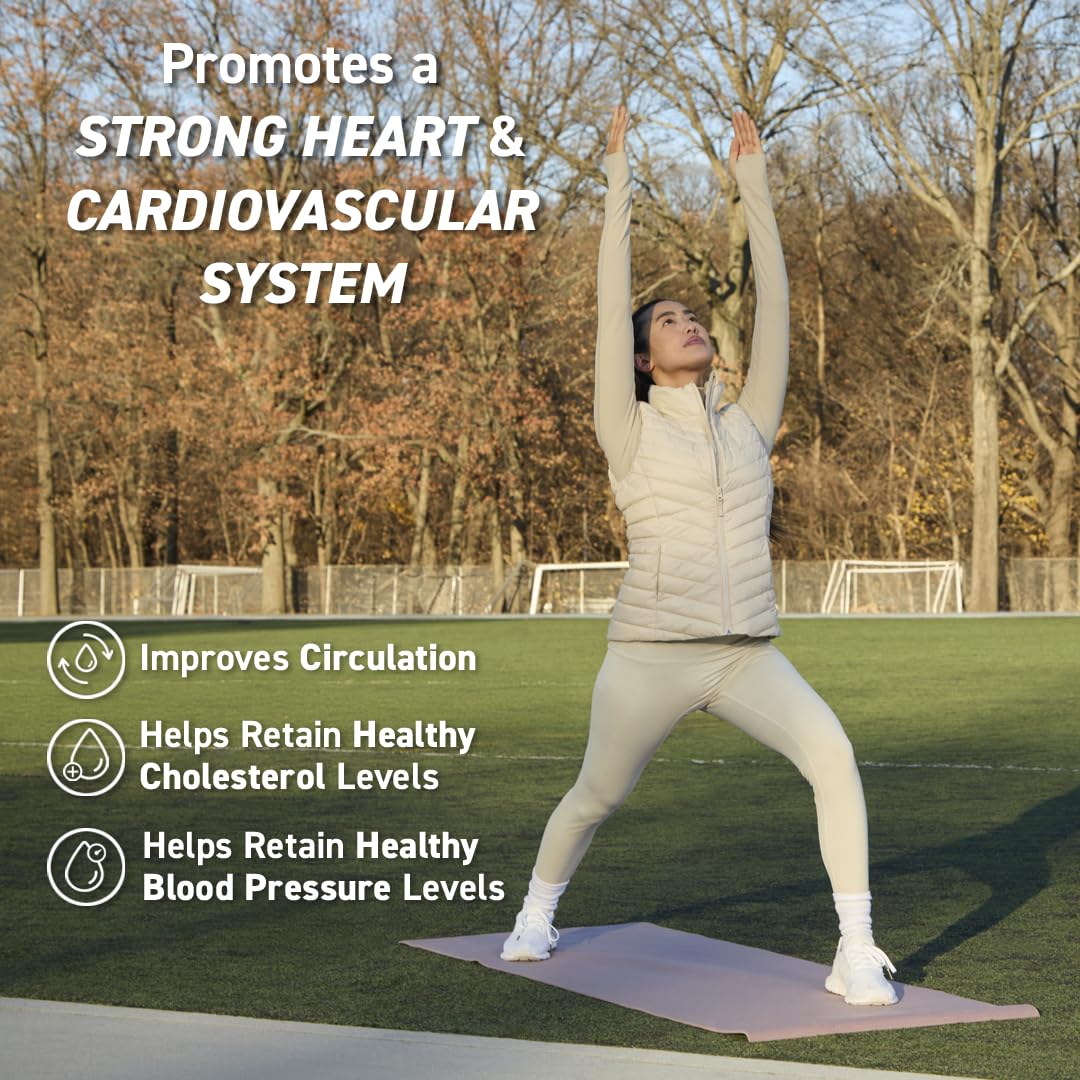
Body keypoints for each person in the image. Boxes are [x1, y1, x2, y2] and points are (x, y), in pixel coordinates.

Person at [499, 105, 899, 1007]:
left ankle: (857, 948)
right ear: (641, 359)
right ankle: (537, 909)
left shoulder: (750, 420)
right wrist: (617, 180)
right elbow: (610, 306)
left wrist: (752, 183)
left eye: (692, 315)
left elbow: (780, 303)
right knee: (595, 798)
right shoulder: (627, 430)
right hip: (647, 657)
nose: (687, 323)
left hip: (744, 654)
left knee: (833, 756)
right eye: (668, 320)